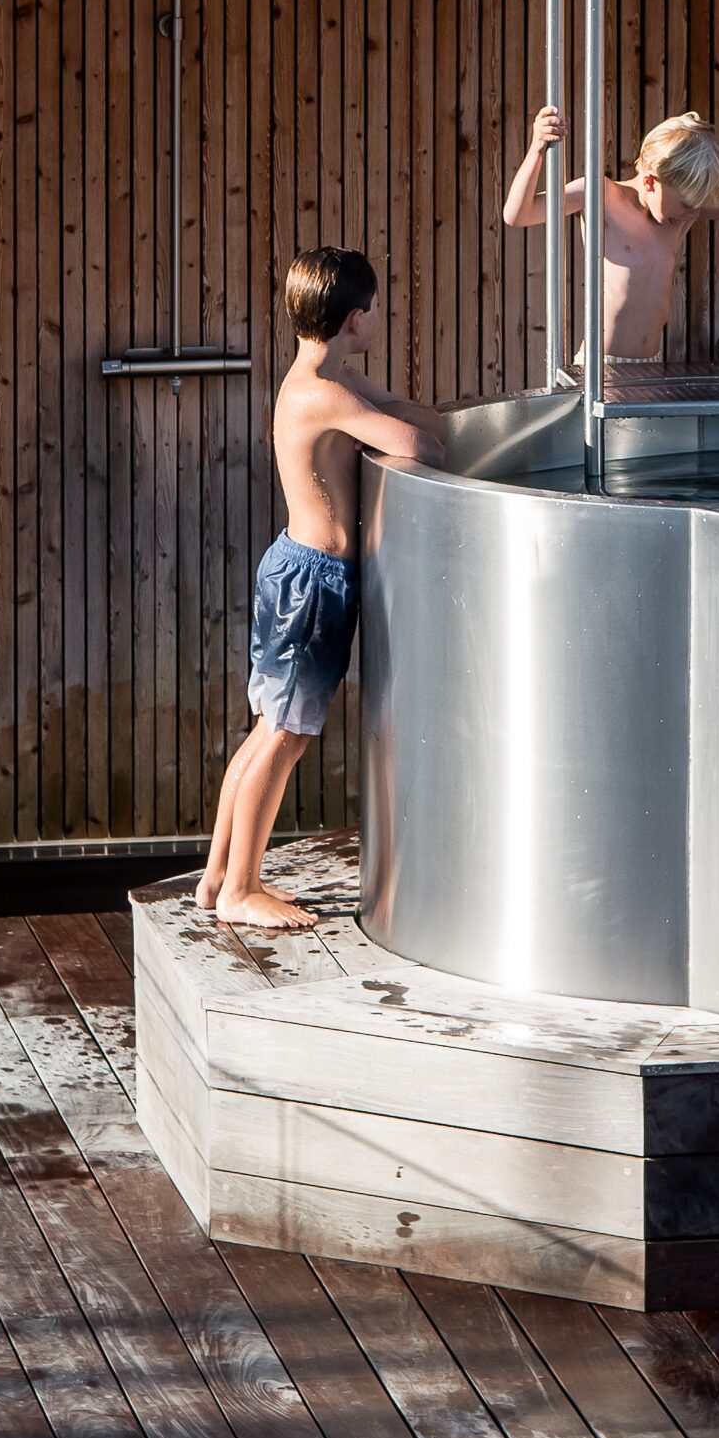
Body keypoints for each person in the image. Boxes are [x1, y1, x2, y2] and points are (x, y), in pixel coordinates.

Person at [196, 247, 440, 932]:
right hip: (313, 583)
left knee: (266, 733)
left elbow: (400, 409)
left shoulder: (326, 376)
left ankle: (218, 876)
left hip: (301, 573)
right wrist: (418, 428)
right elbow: (422, 446)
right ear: (359, 318)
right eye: (376, 310)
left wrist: (410, 414)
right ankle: (244, 887)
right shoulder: (324, 393)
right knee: (284, 737)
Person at [501, 93, 719, 365]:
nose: (691, 214)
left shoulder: (681, 214)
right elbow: (518, 214)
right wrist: (537, 148)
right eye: (685, 205)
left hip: (650, 365)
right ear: (651, 182)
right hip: (600, 366)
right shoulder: (600, 195)